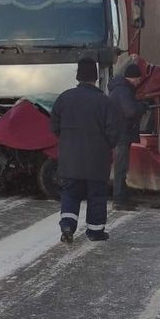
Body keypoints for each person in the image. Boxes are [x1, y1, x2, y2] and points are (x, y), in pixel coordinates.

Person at [50, 57, 120, 243]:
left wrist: (68, 141)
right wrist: (106, 147)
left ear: (78, 76)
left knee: (70, 193)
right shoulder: (105, 102)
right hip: (97, 161)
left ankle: (67, 225)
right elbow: (113, 133)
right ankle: (95, 231)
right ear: (95, 78)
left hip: (70, 159)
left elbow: (54, 126)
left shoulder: (64, 98)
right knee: (96, 195)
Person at [108, 63, 146, 210]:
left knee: (122, 167)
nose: (138, 82)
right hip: (121, 134)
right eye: (138, 79)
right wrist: (141, 107)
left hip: (119, 132)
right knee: (121, 168)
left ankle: (123, 198)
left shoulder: (120, 89)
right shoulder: (123, 90)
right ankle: (119, 200)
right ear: (133, 78)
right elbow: (130, 111)